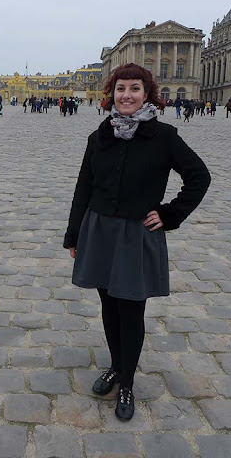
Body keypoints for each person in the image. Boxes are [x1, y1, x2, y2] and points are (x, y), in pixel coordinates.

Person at [64, 63, 210, 422]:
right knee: (109, 308)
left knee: (131, 311)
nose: (126, 95)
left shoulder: (164, 137)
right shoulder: (99, 136)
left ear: (147, 95)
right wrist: (74, 234)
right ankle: (116, 366)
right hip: (99, 232)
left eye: (134, 89)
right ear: (111, 94)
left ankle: (126, 382)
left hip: (135, 235)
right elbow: (84, 188)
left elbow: (199, 176)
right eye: (120, 89)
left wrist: (170, 213)